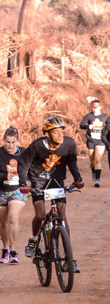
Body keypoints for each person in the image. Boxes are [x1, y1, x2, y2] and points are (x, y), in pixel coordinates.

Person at [19, 117, 84, 273]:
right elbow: (23, 165)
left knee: (62, 216)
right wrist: (23, 183)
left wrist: (78, 178)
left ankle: (68, 259)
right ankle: (34, 239)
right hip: (38, 181)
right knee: (40, 215)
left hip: (56, 181)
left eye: (61, 131)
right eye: (55, 132)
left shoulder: (69, 144)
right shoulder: (36, 146)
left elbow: (72, 163)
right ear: (47, 134)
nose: (60, 135)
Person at [0, 127, 28, 263]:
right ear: (3, 140)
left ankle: (13, 251)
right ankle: (5, 249)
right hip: (1, 190)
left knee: (12, 217)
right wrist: (4, 176)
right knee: (3, 222)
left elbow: (33, 167)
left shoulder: (24, 153)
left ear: (17, 141)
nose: (10, 145)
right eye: (7, 142)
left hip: (18, 190)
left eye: (13, 142)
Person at [80, 97, 110, 187]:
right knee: (92, 161)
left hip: (100, 140)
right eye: (93, 107)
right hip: (91, 140)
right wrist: (88, 126)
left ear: (100, 107)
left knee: (98, 160)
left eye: (96, 107)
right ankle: (93, 171)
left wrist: (107, 133)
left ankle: (97, 180)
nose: (94, 109)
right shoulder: (89, 116)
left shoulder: (105, 117)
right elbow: (81, 125)